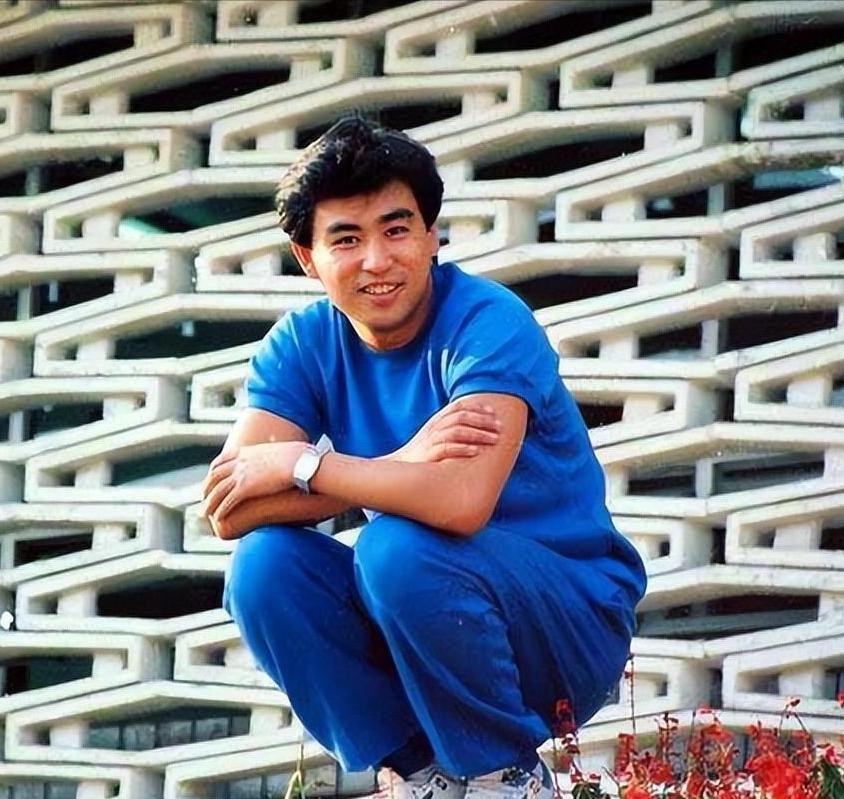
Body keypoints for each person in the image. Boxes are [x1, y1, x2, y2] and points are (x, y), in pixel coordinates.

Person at [202, 116, 647, 799]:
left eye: (396, 229)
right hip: (419, 623)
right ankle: (417, 770)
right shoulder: (302, 344)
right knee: (264, 567)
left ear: (432, 235)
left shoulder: (487, 322)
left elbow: (460, 502)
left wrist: (307, 466)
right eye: (346, 239)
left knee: (396, 547)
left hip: (565, 620)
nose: (377, 260)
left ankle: (506, 775)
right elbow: (230, 510)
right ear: (307, 257)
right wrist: (404, 459)